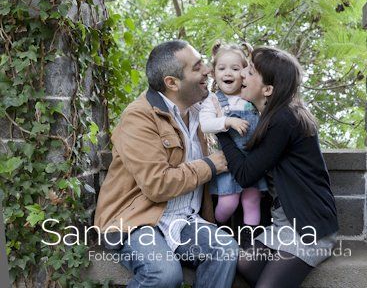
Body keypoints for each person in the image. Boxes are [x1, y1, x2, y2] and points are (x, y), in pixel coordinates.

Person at [94, 40, 239, 288]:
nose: (207, 70)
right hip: (137, 220)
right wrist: (210, 165)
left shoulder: (200, 112)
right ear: (172, 83)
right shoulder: (139, 116)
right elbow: (157, 184)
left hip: (185, 220)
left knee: (224, 249)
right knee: (164, 274)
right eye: (197, 67)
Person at [216, 46, 338, 288]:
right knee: (245, 264)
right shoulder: (274, 114)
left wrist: (221, 130)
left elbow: (245, 175)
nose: (241, 76)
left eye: (249, 73)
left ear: (268, 89)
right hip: (284, 222)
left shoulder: (284, 119)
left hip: (307, 226)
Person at [199, 42, 267, 234]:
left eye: (235, 68)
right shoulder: (212, 100)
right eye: (222, 68)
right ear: (213, 73)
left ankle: (249, 238)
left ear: (244, 73)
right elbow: (205, 124)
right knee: (229, 202)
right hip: (228, 164)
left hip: (252, 160)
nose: (228, 73)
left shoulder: (249, 97)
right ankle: (214, 228)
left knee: (251, 200)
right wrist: (227, 121)